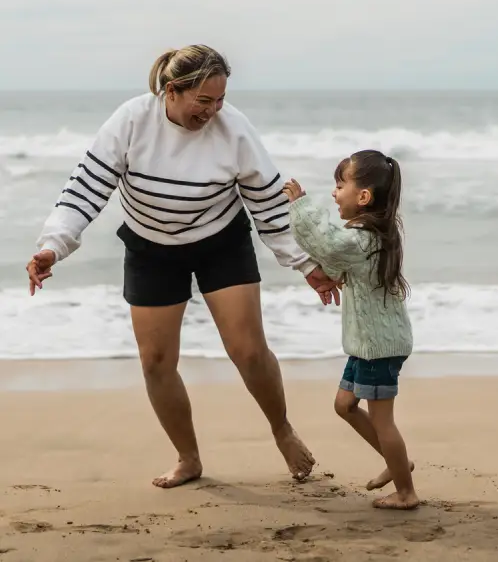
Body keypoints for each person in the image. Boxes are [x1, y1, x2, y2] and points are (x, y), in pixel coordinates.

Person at [26, 44, 341, 489]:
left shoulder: (235, 131)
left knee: (248, 351)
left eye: (220, 100)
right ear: (171, 92)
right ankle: (188, 457)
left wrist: (307, 264)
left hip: (220, 243)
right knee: (155, 361)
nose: (212, 111)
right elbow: (86, 188)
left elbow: (268, 205)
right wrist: (52, 247)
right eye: (203, 101)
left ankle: (282, 429)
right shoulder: (133, 121)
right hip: (151, 248)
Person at [281, 149, 417, 510]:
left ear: (363, 197)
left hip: (380, 347)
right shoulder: (370, 236)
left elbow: (328, 244)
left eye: (340, 185)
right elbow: (337, 259)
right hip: (368, 344)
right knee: (344, 405)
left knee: (383, 420)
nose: (334, 193)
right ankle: (398, 463)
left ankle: (406, 490)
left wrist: (302, 206)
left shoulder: (364, 239)